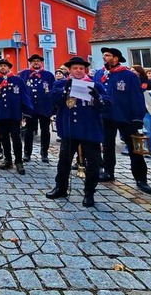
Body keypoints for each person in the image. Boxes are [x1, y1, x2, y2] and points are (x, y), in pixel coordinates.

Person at [46, 56, 110, 207]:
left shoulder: (95, 85)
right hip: (70, 130)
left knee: (93, 163)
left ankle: (89, 193)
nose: (79, 71)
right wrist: (65, 91)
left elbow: (107, 103)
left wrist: (97, 97)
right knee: (64, 160)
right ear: (70, 70)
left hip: (90, 130)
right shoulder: (62, 83)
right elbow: (53, 99)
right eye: (75, 68)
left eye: (81, 68)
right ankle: (61, 187)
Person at [94, 47, 151, 194]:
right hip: (106, 115)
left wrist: (138, 117)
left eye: (107, 55)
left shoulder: (129, 75)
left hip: (126, 117)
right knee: (107, 146)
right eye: (103, 55)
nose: (104, 57)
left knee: (134, 148)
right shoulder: (100, 74)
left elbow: (137, 97)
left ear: (116, 58)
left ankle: (141, 178)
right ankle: (108, 171)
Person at [0, 58, 33, 173]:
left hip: (14, 113)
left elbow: (25, 95)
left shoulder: (17, 80)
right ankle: (8, 159)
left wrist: (27, 111)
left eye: (5, 66)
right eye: (1, 66)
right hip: (1, 113)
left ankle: (19, 161)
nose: (3, 68)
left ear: (9, 68)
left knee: (16, 137)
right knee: (4, 137)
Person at [19, 54, 56, 163]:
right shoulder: (24, 74)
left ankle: (44, 153)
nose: (36, 63)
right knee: (29, 131)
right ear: (30, 63)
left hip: (44, 107)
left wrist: (53, 108)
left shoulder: (48, 75)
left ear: (41, 63)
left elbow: (53, 91)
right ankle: (27, 153)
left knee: (45, 131)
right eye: (34, 61)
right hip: (30, 108)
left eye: (38, 61)